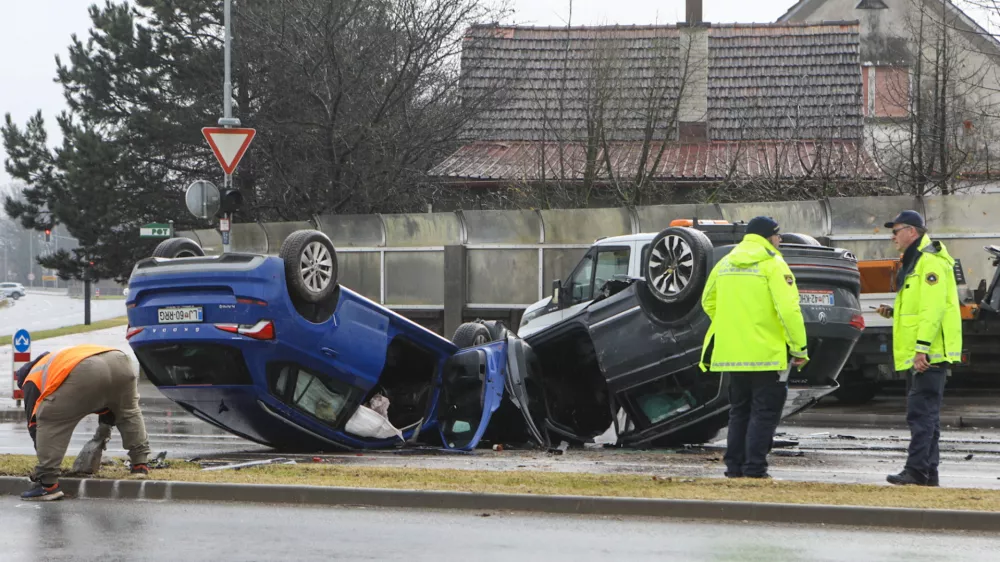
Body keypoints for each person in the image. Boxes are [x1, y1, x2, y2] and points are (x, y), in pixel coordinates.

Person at [700, 216, 809, 479]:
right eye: (777, 235)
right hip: (767, 355)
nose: (780, 240)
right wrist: (799, 348)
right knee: (764, 412)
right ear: (767, 237)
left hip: (733, 354)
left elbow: (707, 301)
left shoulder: (725, 262)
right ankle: (755, 468)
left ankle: (734, 467)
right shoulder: (773, 264)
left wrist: (736, 324)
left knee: (739, 411)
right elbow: (789, 310)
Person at [877, 210, 962, 486]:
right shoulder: (915, 261)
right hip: (923, 353)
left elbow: (933, 309)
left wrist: (922, 348)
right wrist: (893, 312)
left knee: (920, 414)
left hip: (928, 354)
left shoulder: (928, 261)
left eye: (896, 230)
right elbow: (918, 307)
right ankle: (927, 472)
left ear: (912, 231)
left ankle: (916, 470)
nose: (893, 236)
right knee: (927, 416)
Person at [15, 345, 152, 501]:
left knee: (49, 417)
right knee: (128, 413)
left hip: (86, 370)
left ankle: (47, 485)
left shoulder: (31, 379)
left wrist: (44, 459)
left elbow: (36, 426)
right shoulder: (56, 360)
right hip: (120, 361)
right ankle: (140, 464)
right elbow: (110, 409)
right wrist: (103, 432)